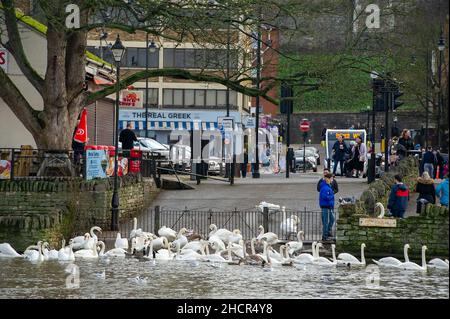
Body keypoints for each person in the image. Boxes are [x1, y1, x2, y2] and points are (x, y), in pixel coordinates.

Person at [319, 173, 335, 241]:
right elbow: (325, 197)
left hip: (329, 206)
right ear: (328, 179)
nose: (332, 180)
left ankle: (328, 233)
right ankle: (325, 236)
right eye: (331, 178)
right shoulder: (325, 187)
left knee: (332, 219)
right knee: (325, 221)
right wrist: (331, 196)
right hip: (326, 206)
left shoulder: (328, 186)